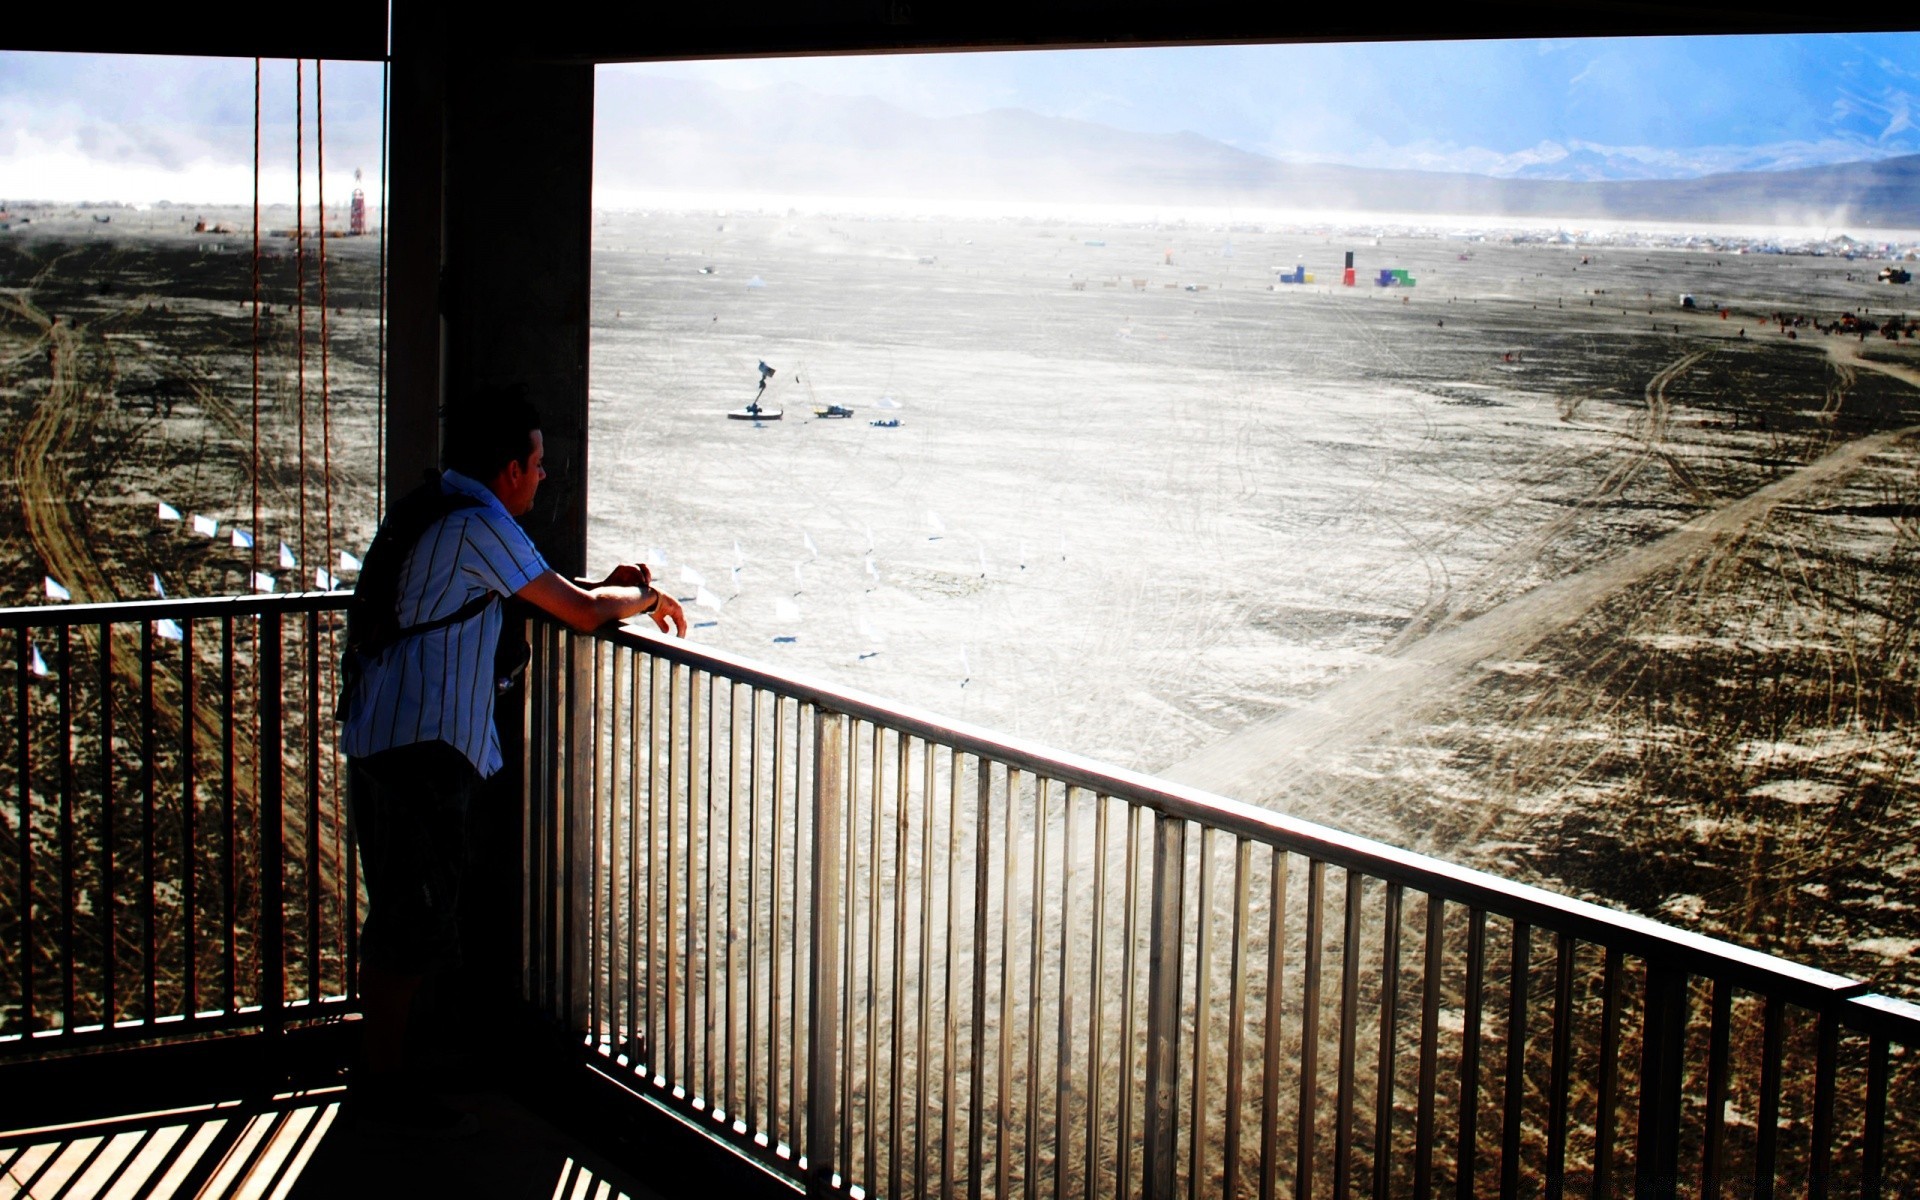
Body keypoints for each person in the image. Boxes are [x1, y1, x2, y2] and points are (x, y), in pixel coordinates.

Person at [338, 389, 685, 1136]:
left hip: (384, 735)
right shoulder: (478, 525)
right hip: (421, 749)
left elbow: (549, 593)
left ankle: (381, 1079)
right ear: (507, 471)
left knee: (400, 918)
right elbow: (581, 612)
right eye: (535, 465)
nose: (543, 478)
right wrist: (642, 596)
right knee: (409, 924)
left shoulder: (436, 507)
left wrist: (610, 588)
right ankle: (383, 1091)